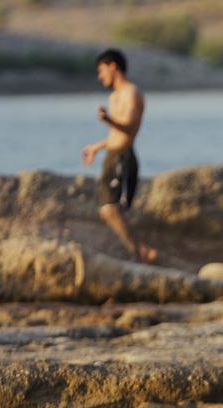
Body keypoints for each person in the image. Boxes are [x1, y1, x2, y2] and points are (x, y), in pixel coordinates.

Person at [81, 49, 158, 264]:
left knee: (110, 209)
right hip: (112, 156)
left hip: (123, 157)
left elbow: (130, 128)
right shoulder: (114, 96)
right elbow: (115, 133)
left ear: (113, 66)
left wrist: (107, 120)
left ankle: (140, 253)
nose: (100, 76)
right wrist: (97, 147)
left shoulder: (132, 93)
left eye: (101, 70)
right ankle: (137, 252)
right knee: (108, 210)